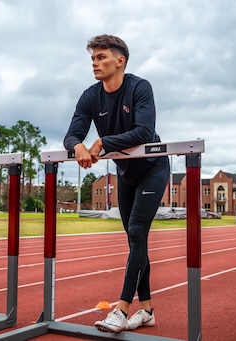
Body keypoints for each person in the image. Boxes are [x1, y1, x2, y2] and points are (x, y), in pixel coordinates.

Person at [63, 34, 170, 333]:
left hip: (152, 168)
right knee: (136, 239)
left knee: (137, 232)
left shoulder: (140, 87)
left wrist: (101, 141)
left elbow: (145, 132)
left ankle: (121, 309)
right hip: (126, 174)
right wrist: (78, 147)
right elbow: (71, 134)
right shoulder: (90, 96)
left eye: (101, 58)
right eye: (93, 59)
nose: (95, 64)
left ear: (120, 60)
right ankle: (146, 309)